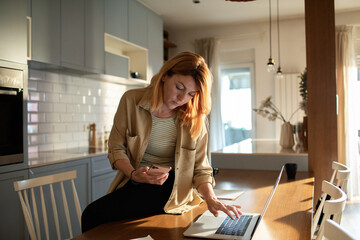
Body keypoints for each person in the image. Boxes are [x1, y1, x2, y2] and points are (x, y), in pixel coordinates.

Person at [81, 52, 242, 232]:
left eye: (191, 93)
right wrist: (134, 174)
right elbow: (116, 148)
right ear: (165, 75)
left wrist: (211, 199)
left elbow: (200, 168)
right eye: (179, 87)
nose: (182, 99)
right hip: (135, 183)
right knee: (93, 216)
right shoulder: (131, 100)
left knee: (94, 215)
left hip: (173, 188)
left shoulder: (195, 116)